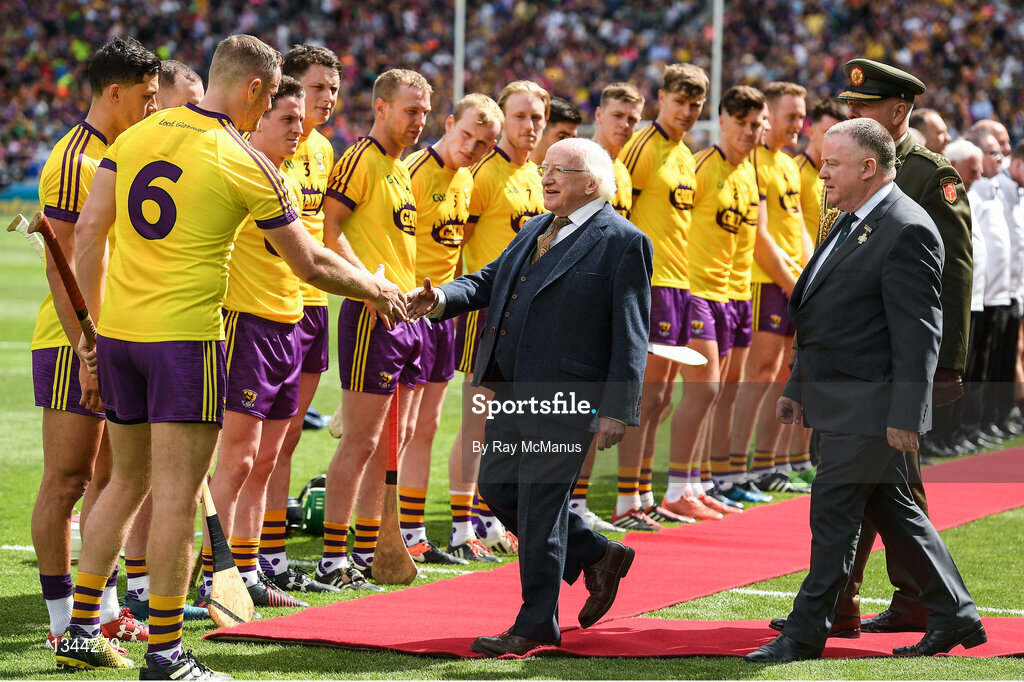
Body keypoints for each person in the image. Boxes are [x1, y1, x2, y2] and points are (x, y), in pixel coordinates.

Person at [65, 34, 405, 678]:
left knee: (123, 481)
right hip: (186, 340)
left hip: (120, 336)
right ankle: (165, 654)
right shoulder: (244, 159)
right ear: (255, 89)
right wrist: (377, 287)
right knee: (174, 496)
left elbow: (89, 231)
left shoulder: (137, 134)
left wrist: (91, 332)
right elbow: (309, 261)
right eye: (272, 98)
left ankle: (81, 628)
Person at [747, 117, 984, 663]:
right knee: (896, 509)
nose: (822, 171)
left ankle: (805, 632)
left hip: (871, 407)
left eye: (832, 163)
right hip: (841, 400)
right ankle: (954, 615)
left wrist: (907, 412)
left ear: (869, 168)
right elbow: (823, 310)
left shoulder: (907, 227)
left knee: (832, 514)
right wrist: (798, 383)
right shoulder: (854, 218)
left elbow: (919, 334)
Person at [407, 137, 651, 657]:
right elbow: (492, 280)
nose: (546, 177)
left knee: (541, 507)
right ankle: (597, 552)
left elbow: (632, 332)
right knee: (497, 487)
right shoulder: (537, 226)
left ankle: (538, 622)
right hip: (511, 387)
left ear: (592, 183)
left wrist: (617, 408)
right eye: (545, 168)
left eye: (559, 170)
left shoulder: (623, 240)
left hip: (567, 397)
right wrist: (442, 297)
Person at [827, 58, 973, 637]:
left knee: (882, 484)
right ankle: (883, 600)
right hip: (851, 358)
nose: (852, 115)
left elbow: (956, 273)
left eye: (863, 108)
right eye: (849, 107)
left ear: (898, 111)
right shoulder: (848, 160)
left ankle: (872, 601)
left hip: (894, 361)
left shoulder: (926, 174)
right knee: (875, 484)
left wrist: (949, 363)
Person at [30, 35, 156, 657]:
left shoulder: (121, 150)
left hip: (115, 338)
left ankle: (100, 612)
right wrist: (86, 346)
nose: (152, 107)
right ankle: (61, 623)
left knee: (113, 477)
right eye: (145, 96)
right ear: (114, 92)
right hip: (72, 343)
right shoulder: (75, 157)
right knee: (68, 479)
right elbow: (62, 265)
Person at [198, 76, 330, 610]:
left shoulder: (283, 177)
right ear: (260, 118)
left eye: (301, 120)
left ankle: (247, 570)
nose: (300, 129)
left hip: (289, 326)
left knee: (267, 459)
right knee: (236, 459)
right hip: (248, 326)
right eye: (288, 119)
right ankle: (214, 572)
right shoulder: (240, 170)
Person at [315, 68, 430, 587]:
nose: (419, 121)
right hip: (371, 315)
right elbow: (327, 227)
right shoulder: (360, 158)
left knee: (395, 437)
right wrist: (368, 285)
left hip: (407, 315)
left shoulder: (400, 166)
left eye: (425, 111)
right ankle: (334, 559)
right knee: (360, 440)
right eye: (411, 110)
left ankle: (368, 547)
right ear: (381, 107)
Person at [258, 44, 347, 594]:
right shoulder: (269, 142)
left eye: (334, 89)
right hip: (270, 303)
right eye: (318, 88)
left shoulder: (324, 149)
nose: (328, 98)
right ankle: (242, 558)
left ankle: (272, 556)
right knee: (258, 444)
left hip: (312, 305)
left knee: (287, 441)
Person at [446, 79, 548, 560]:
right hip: (485, 314)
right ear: (503, 118)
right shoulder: (485, 173)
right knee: (477, 422)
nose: (531, 125)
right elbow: (456, 246)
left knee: (509, 423)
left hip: (524, 316)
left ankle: (489, 517)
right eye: (522, 116)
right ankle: (461, 526)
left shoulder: (535, 174)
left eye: (537, 117)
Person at [400, 93, 503, 564]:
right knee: (402, 429)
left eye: (484, 143)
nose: (473, 148)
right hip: (407, 309)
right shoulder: (416, 170)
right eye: (467, 136)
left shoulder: (466, 178)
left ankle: (416, 531)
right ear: (448, 123)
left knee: (429, 426)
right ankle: (397, 530)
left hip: (444, 313)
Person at [615, 63, 708, 530]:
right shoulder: (643, 148)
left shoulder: (685, 153)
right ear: (662, 98)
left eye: (695, 105)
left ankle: (645, 495)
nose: (687, 112)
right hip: (649, 284)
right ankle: (626, 500)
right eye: (680, 102)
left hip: (679, 285)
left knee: (661, 399)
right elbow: (620, 216)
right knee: (643, 396)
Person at [728, 81, 812, 497]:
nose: (799, 123)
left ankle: (769, 464)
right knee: (761, 376)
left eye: (802, 115)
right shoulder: (757, 161)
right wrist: (797, 284)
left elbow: (796, 230)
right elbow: (762, 239)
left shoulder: (787, 163)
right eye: (791, 115)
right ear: (770, 117)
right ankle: (742, 467)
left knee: (784, 375)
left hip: (791, 281)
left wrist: (812, 276)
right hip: (767, 283)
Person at [573, 82, 645, 531]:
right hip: (579, 302)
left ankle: (576, 503)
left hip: (608, 301)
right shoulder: (582, 163)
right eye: (619, 115)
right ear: (598, 115)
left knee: (592, 410)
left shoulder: (624, 170)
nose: (626, 125)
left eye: (634, 119)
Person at [529, 96, 581, 165]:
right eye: (562, 137)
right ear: (539, 130)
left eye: (572, 140)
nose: (569, 147)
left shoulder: (573, 174)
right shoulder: (514, 173)